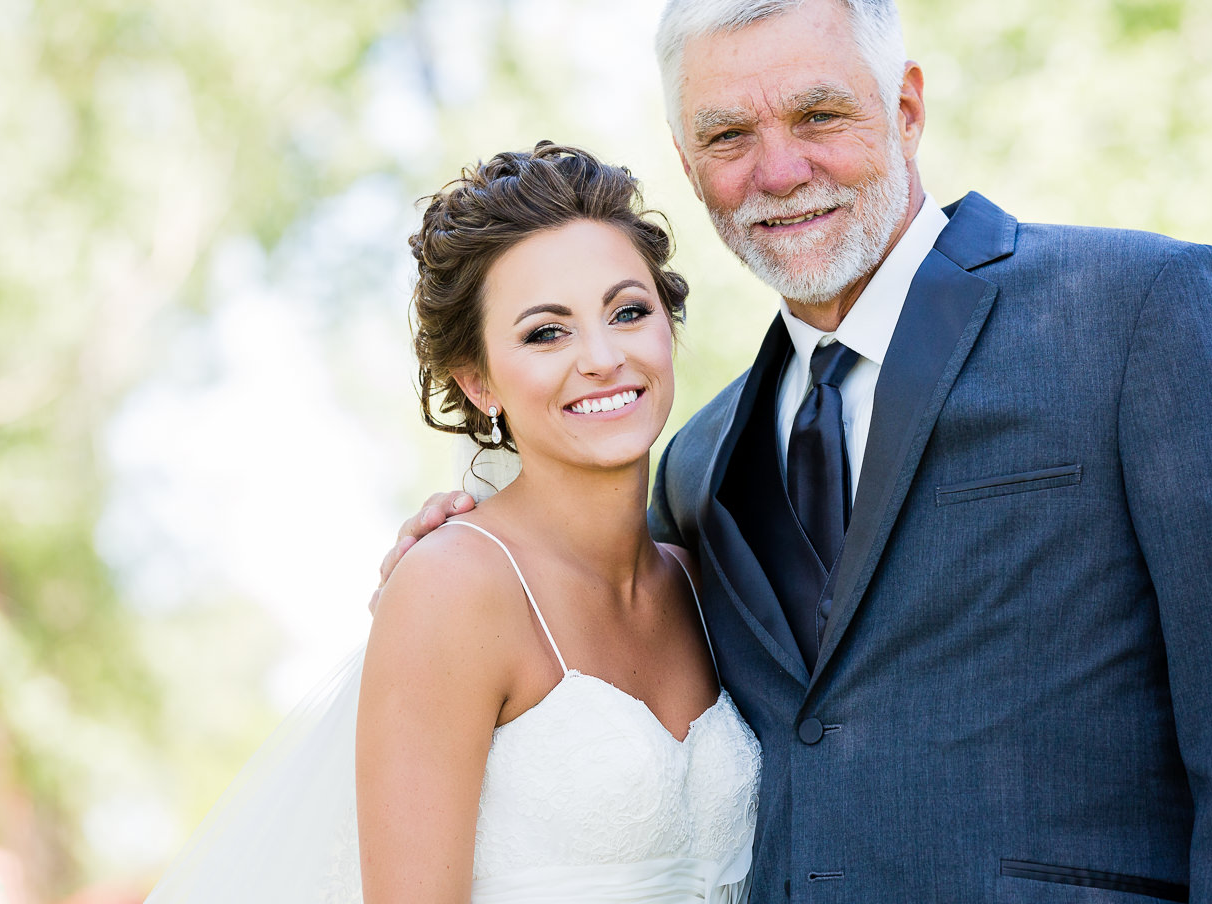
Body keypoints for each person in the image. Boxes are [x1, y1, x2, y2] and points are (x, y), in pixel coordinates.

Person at [385, 0, 1212, 903]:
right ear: (688, 163)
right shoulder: (695, 465)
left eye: (820, 112)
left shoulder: (1138, 312)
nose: (778, 170)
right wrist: (468, 530)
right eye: (729, 136)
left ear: (906, 108)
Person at [146, 143, 760, 904]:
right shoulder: (452, 587)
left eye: (628, 312)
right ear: (477, 382)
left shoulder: (706, 578)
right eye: (546, 332)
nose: (603, 357)